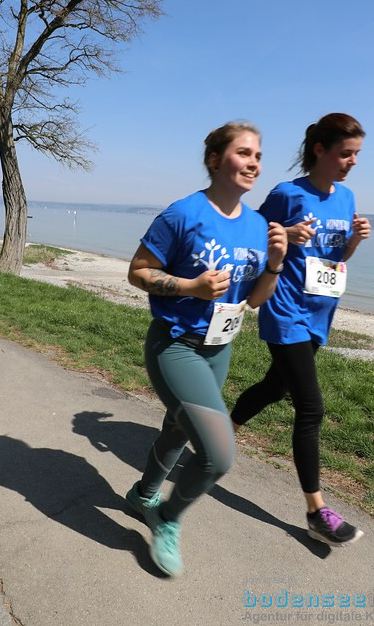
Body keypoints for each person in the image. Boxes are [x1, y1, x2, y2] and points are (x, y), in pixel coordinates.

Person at [124, 121, 287, 577]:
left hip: (220, 347)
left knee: (178, 430)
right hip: (175, 345)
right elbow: (137, 272)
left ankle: (142, 496)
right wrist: (189, 286)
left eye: (258, 155)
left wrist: (274, 264)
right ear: (215, 160)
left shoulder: (258, 226)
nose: (254, 162)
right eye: (243, 153)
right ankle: (167, 519)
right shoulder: (183, 214)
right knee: (219, 454)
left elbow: (254, 299)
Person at [229, 112, 371, 547]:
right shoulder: (287, 193)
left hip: (318, 313)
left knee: (275, 387)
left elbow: (334, 259)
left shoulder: (345, 198)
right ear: (320, 150)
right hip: (285, 308)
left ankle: (217, 434)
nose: (352, 162)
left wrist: (355, 242)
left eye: (357, 155)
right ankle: (317, 511)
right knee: (311, 409)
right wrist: (285, 233)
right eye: (346, 154)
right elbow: (253, 237)